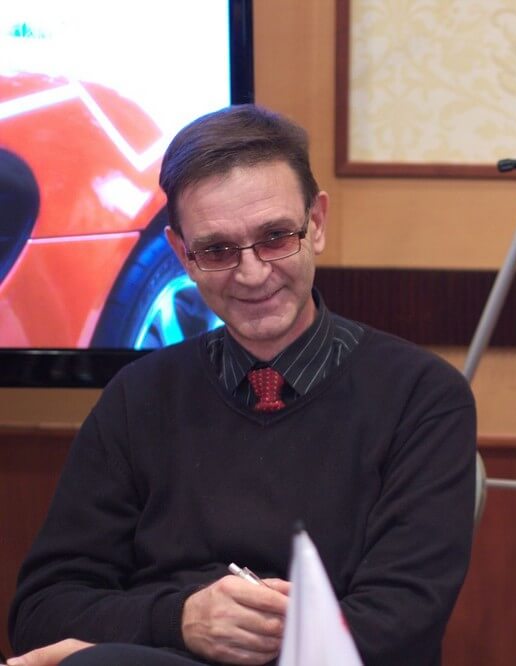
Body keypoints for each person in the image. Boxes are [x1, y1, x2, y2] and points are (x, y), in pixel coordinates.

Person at [7, 105, 477, 666]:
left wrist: (256, 635)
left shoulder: (422, 397)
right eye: (217, 250)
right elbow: (42, 611)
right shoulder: (138, 396)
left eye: (275, 237)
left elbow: (402, 624)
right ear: (182, 255)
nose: (252, 274)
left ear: (316, 224)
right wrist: (182, 620)